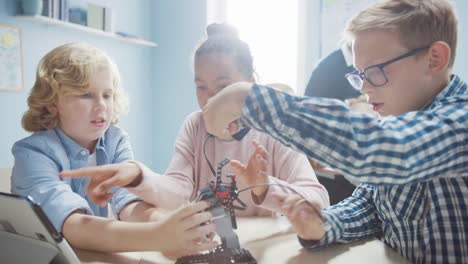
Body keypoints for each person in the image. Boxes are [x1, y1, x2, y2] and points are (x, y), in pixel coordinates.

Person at [202, 0, 467, 262]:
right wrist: (323, 225)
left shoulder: (459, 122)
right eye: (359, 75)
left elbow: (382, 149)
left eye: (375, 71)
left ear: (435, 59)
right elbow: (371, 206)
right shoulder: (403, 117)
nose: (364, 88)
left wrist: (247, 99)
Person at [60, 24, 329, 219]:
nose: (211, 99)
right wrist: (138, 175)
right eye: (201, 87)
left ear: (250, 85)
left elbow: (318, 199)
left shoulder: (276, 129)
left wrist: (263, 187)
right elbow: (177, 191)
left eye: (223, 86)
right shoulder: (194, 125)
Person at [11, 43, 217, 256]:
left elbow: (127, 201)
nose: (101, 105)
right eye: (86, 95)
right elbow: (72, 225)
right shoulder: (33, 153)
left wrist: (170, 224)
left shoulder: (114, 140)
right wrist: (158, 235)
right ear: (53, 103)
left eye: (107, 95)